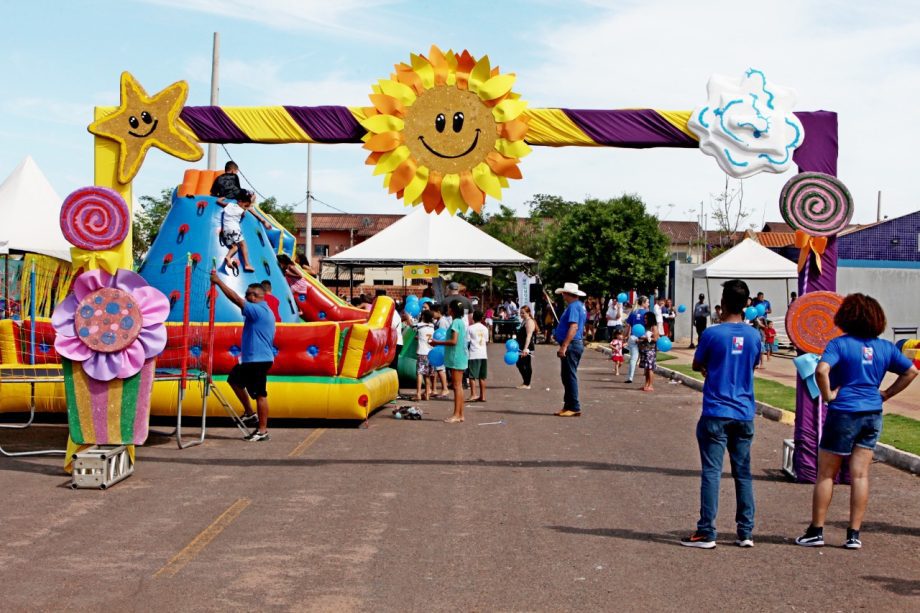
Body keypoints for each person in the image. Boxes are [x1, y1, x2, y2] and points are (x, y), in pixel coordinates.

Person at [795, 294, 918, 550]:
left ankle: (816, 530)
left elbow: (820, 370)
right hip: (872, 413)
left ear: (846, 317)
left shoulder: (839, 345)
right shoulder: (885, 347)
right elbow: (911, 371)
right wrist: (886, 394)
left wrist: (828, 395)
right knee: (860, 474)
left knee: (826, 473)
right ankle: (853, 535)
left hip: (843, 412)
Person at [681, 279, 762, 549]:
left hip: (716, 410)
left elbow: (697, 363)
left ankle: (707, 530)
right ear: (747, 304)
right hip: (743, 411)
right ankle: (746, 531)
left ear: (722, 304)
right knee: (743, 472)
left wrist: (711, 369)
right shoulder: (754, 336)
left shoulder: (712, 334)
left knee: (712, 472)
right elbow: (752, 364)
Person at [210, 273, 276, 442]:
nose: (246, 297)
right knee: (234, 380)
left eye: (248, 294)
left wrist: (218, 282)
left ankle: (262, 431)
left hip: (258, 360)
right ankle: (249, 412)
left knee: (260, 394)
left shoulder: (257, 309)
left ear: (255, 296)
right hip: (252, 360)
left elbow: (236, 299)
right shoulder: (262, 310)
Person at [552, 282, 587, 417]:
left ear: (567, 294)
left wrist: (564, 346)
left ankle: (574, 406)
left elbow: (573, 327)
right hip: (574, 343)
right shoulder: (579, 306)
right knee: (566, 376)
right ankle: (568, 405)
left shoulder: (573, 307)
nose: (562, 295)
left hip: (572, 345)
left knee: (569, 375)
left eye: (563, 293)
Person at [431, 300, 468, 423]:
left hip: (456, 357)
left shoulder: (456, 323)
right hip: (459, 356)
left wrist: (437, 343)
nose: (448, 310)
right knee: (459, 387)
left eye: (449, 308)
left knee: (457, 387)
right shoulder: (460, 322)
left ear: (452, 310)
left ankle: (456, 414)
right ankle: (460, 414)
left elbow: (453, 341)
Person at [217, 191, 270, 273]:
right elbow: (246, 211)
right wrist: (252, 199)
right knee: (243, 245)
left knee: (234, 247)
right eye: (245, 205)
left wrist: (222, 198)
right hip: (234, 229)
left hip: (225, 230)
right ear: (240, 202)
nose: (245, 207)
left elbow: (219, 202)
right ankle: (247, 264)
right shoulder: (241, 210)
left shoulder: (229, 205)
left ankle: (228, 257)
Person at [624, 296, 649, 384]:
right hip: (643, 337)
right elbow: (649, 327)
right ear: (643, 303)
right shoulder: (647, 313)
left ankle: (630, 377)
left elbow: (628, 326)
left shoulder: (633, 312)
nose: (648, 304)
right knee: (647, 357)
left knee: (633, 358)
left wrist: (625, 337)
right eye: (647, 302)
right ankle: (647, 376)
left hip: (633, 337)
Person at [467, 311, 489, 402]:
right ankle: (483, 396)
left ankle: (473, 394)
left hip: (473, 354)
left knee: (472, 376)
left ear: (473, 318)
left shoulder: (470, 328)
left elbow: (467, 341)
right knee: (482, 376)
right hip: (483, 354)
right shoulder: (485, 328)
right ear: (482, 318)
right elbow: (486, 341)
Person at [413, 310, 435, 401]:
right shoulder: (432, 326)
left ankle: (418, 394)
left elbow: (412, 325)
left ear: (423, 316)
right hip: (431, 352)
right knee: (428, 374)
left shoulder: (419, 325)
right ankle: (427, 394)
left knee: (420, 373)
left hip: (422, 352)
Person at [430, 303, 451, 398]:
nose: (432, 314)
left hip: (441, 348)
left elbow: (441, 335)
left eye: (433, 312)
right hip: (439, 347)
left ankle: (445, 388)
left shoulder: (442, 322)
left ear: (438, 312)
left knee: (440, 369)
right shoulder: (439, 321)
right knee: (437, 369)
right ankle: (434, 389)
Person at [515, 305, 537, 389]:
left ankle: (527, 383)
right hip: (521, 346)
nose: (521, 314)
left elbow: (528, 336)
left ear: (528, 313)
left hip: (527, 347)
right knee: (520, 363)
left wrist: (525, 348)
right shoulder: (524, 321)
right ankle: (526, 382)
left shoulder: (529, 322)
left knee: (524, 364)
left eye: (523, 313)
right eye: (520, 313)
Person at [639, 311, 660, 392]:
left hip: (650, 350)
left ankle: (651, 385)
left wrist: (645, 338)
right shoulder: (645, 327)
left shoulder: (654, 327)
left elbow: (656, 339)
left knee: (650, 368)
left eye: (646, 318)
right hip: (644, 349)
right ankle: (646, 384)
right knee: (646, 369)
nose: (645, 320)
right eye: (644, 318)